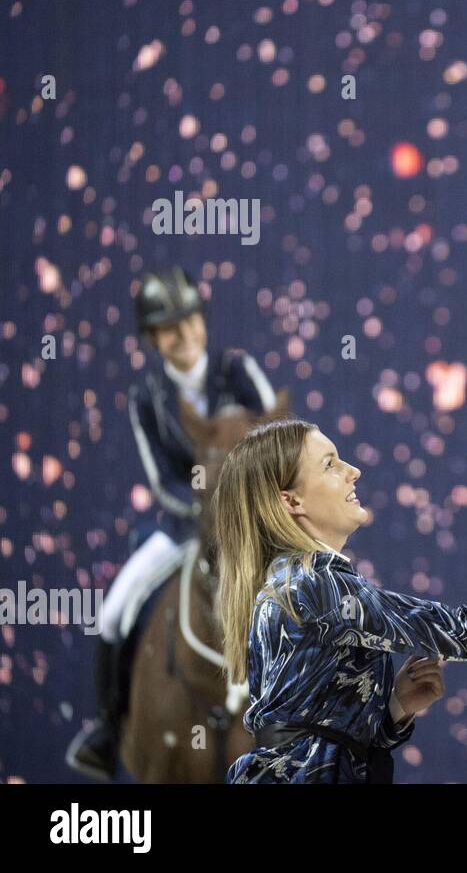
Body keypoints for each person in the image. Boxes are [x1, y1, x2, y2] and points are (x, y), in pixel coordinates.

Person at [215, 418, 467, 783]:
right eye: (330, 464)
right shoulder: (316, 582)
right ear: (291, 501)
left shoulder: (290, 580)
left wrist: (392, 708)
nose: (353, 472)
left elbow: (312, 730)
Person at [66, 267, 279, 780]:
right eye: (168, 327)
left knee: (309, 596)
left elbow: (282, 444)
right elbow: (161, 480)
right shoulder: (147, 395)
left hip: (254, 526)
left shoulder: (239, 370)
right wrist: (206, 514)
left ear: (203, 321)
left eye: (189, 321)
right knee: (115, 610)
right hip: (185, 528)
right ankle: (106, 728)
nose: (183, 335)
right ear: (152, 339)